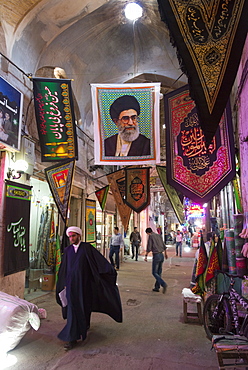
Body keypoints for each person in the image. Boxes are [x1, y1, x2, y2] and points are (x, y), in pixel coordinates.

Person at [56, 226, 122, 350]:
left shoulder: (87, 249)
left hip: (84, 286)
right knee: (73, 310)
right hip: (71, 287)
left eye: (74, 236)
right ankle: (72, 337)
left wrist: (110, 272)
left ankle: (84, 325)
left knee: (84, 307)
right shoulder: (68, 250)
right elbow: (63, 269)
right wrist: (63, 284)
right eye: (69, 236)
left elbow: (99, 262)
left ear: (79, 235)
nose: (71, 238)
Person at [144, 227, 168, 293]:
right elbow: (164, 246)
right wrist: (166, 254)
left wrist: (146, 255)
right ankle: (157, 287)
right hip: (161, 255)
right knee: (159, 272)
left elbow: (149, 247)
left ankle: (163, 284)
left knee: (154, 272)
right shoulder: (158, 235)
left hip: (156, 255)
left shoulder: (151, 236)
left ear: (148, 233)